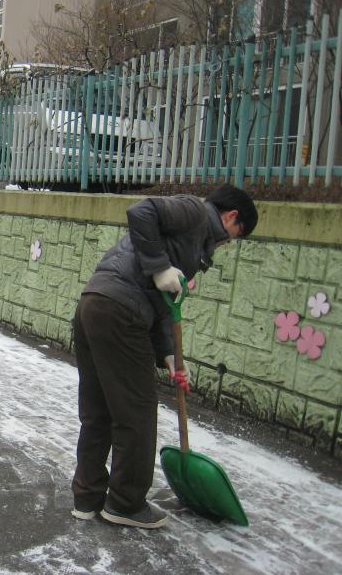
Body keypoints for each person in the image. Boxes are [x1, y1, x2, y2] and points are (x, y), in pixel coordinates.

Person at [70, 185, 258, 529]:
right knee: (136, 413)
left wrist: (170, 356)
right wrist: (160, 268)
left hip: (96, 303)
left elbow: (160, 305)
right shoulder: (196, 212)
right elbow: (142, 211)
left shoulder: (191, 244)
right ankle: (125, 503)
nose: (229, 242)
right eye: (236, 233)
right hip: (121, 311)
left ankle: (88, 496)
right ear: (231, 217)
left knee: (98, 409)